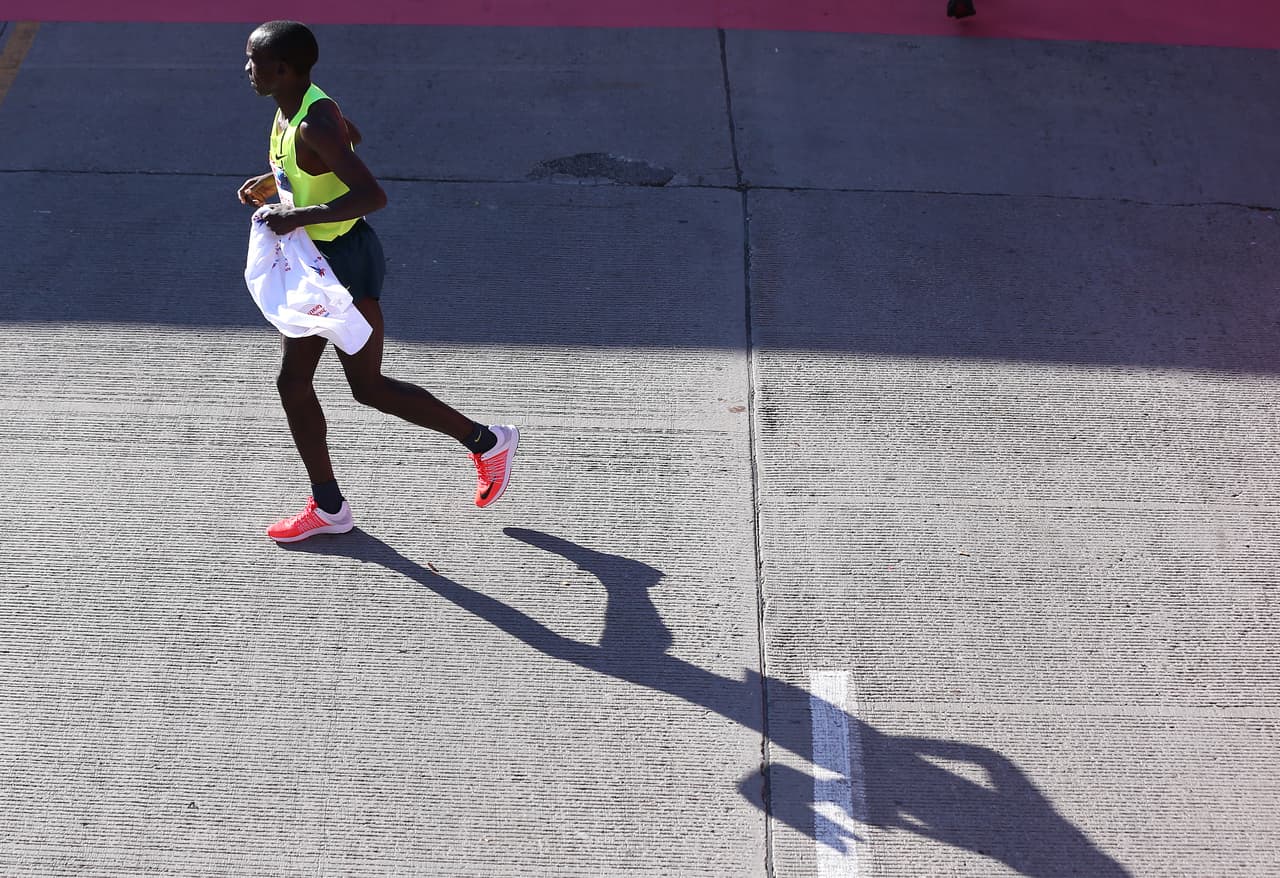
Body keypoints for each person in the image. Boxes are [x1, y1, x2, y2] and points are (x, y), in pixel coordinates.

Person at [239, 20, 518, 543]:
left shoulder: (311, 123)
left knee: (350, 385)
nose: (245, 68)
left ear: (282, 68)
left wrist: (297, 216)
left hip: (342, 264)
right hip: (320, 262)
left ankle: (484, 443)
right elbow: (344, 146)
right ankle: (335, 502)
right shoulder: (299, 108)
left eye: (253, 60)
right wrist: (277, 183)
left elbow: (372, 195)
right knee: (313, 384)